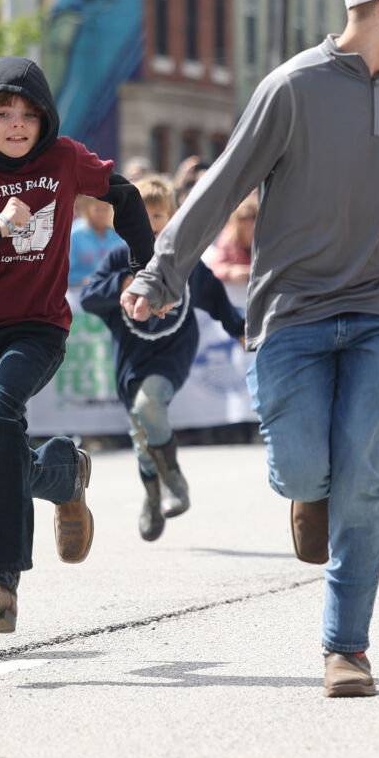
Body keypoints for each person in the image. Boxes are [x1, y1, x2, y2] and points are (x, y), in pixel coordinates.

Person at [120, 0, 379, 697]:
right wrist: (162, 271)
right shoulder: (292, 87)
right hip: (294, 313)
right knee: (305, 468)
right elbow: (221, 186)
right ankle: (304, 491)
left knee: (364, 481)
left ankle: (344, 649)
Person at [0, 56, 153, 632]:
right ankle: (63, 473)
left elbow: (127, 195)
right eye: (2, 113)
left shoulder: (63, 158)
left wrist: (146, 270)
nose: (16, 124)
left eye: (28, 115)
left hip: (37, 327)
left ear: (44, 122)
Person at [81, 175, 246, 541]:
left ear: (173, 219)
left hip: (172, 353)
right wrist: (123, 284)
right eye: (140, 216)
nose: (149, 225)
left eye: (157, 216)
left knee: (149, 404)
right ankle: (153, 495)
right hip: (130, 356)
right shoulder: (118, 259)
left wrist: (239, 329)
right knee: (141, 434)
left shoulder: (183, 261)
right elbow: (90, 298)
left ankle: (173, 480)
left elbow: (217, 299)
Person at [68, 195, 123, 286]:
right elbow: (65, 272)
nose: (102, 214)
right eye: (97, 209)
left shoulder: (118, 234)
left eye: (106, 209)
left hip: (112, 288)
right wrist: (84, 279)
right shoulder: (74, 234)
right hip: (78, 290)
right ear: (87, 209)